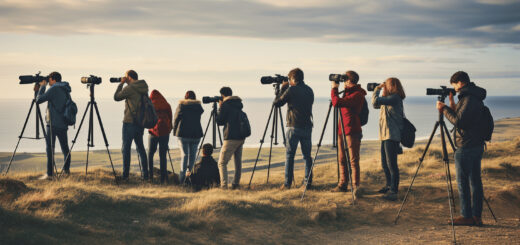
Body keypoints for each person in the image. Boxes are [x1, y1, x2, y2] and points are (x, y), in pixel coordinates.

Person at [436, 71, 487, 226]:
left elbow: (460, 122)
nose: (455, 90)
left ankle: (466, 216)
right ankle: (476, 216)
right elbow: (463, 117)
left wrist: (444, 109)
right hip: (475, 144)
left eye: (455, 87)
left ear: (459, 82)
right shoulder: (473, 96)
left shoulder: (468, 98)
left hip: (466, 145)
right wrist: (452, 104)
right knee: (475, 182)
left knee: (463, 182)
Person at [274, 68, 314, 190]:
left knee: (290, 155)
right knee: (307, 156)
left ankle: (287, 184)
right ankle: (307, 183)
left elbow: (277, 103)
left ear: (292, 79)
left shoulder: (291, 90)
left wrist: (283, 88)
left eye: (289, 79)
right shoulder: (309, 90)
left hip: (293, 126)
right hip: (307, 125)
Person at [331, 71, 367, 196]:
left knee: (353, 160)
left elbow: (336, 102)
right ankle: (342, 184)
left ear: (348, 81)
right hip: (342, 130)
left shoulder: (358, 94)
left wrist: (334, 89)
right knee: (341, 159)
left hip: (352, 130)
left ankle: (356, 186)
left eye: (345, 79)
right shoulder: (348, 92)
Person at [372, 77, 406, 201]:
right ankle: (388, 185)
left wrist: (377, 89)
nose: (384, 86)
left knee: (392, 165)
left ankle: (394, 191)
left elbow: (375, 100)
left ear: (392, 86)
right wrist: (382, 90)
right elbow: (375, 104)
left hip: (392, 135)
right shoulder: (388, 99)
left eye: (387, 85)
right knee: (385, 163)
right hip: (385, 135)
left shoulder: (395, 98)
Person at [34, 72, 72, 180]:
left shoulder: (54, 89)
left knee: (50, 150)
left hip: (53, 124)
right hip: (63, 124)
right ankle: (66, 171)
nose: (48, 81)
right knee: (65, 149)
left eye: (49, 79)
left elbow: (39, 100)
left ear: (53, 79)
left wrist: (42, 87)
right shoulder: (65, 88)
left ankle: (50, 174)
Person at [114, 70, 149, 181]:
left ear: (128, 77)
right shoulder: (143, 87)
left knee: (126, 149)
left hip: (129, 122)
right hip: (140, 122)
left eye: (125, 77)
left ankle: (125, 176)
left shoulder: (130, 88)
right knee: (140, 148)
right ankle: (145, 175)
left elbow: (116, 97)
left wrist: (121, 84)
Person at [216, 86, 246, 189]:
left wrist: (220, 107)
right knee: (237, 162)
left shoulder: (225, 105)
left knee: (222, 163)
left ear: (222, 95)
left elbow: (219, 121)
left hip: (231, 137)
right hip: (241, 137)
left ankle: (224, 186)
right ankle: (235, 184)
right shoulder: (238, 104)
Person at [173, 91, 204, 184]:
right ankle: (189, 178)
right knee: (192, 156)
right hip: (196, 134)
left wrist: (175, 131)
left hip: (183, 134)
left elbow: (176, 119)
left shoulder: (181, 105)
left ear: (185, 97)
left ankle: (182, 179)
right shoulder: (198, 107)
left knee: (185, 156)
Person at [148, 89, 173, 184]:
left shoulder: (150, 105)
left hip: (153, 131)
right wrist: (169, 128)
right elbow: (170, 118)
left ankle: (150, 176)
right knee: (163, 155)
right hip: (165, 131)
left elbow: (147, 117)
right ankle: (164, 178)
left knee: (150, 154)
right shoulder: (166, 105)